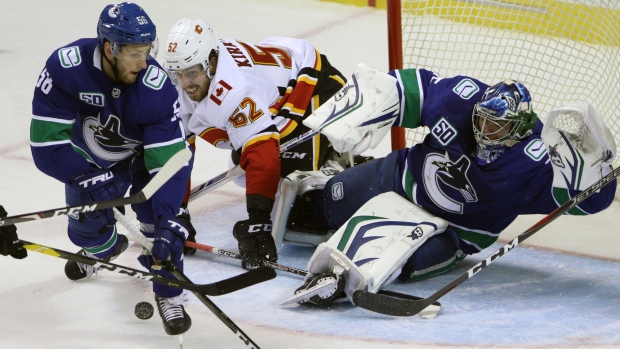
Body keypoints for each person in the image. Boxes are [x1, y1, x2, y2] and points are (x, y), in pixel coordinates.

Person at [276, 63, 617, 305]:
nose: (485, 130)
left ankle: (346, 276)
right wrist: (368, 106)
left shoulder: (537, 161)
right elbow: (407, 88)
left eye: (497, 127)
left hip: (457, 231)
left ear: (520, 127)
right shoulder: (461, 98)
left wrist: (594, 172)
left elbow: (588, 200)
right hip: (400, 178)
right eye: (482, 120)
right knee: (310, 215)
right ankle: (337, 177)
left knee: (399, 265)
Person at [30, 3, 192, 336]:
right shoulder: (66, 67)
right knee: (87, 232)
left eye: (148, 51)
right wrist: (85, 175)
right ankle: (107, 250)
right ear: (109, 48)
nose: (144, 62)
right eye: (135, 54)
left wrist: (169, 218)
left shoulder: (156, 88)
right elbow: (46, 145)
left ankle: (169, 290)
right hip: (89, 161)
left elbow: (168, 164)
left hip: (142, 158)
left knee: (160, 229)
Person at [161, 19, 350, 269]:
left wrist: (258, 222)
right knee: (246, 171)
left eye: (192, 73)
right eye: (179, 74)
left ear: (212, 62)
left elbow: (261, 153)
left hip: (312, 87)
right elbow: (176, 146)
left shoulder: (236, 91)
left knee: (303, 213)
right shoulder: (179, 77)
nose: (185, 83)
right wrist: (176, 210)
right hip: (272, 88)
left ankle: (337, 162)